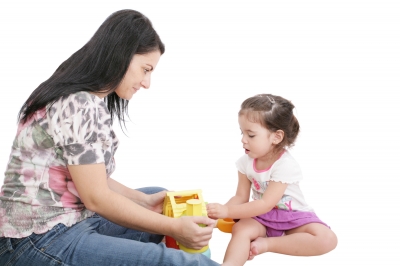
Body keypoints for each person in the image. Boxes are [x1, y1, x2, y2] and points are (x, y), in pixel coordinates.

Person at [0, 9, 220, 266]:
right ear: (121, 56)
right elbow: (96, 198)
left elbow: (89, 177)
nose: (146, 82)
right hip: (37, 240)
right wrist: (176, 228)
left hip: (71, 221)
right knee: (181, 262)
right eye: (145, 69)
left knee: (158, 197)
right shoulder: (79, 104)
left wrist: (144, 201)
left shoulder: (79, 97)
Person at [207, 94, 337, 266]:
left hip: (292, 217)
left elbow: (266, 203)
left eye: (251, 135)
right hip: (260, 217)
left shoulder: (285, 165)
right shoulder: (245, 163)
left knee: (327, 239)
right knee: (241, 229)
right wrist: (219, 214)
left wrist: (228, 212)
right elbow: (240, 197)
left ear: (276, 137)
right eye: (242, 132)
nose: (243, 139)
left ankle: (268, 244)